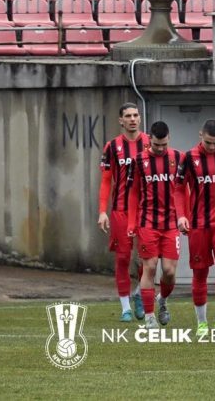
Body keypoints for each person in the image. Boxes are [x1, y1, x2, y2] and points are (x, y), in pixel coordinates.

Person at [173, 120, 215, 335]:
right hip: (198, 225)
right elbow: (178, 189)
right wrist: (181, 216)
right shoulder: (189, 157)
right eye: (208, 142)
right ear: (200, 135)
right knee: (200, 272)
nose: (212, 147)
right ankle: (202, 323)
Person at [126, 121, 182, 329]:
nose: (160, 149)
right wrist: (131, 223)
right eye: (156, 145)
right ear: (150, 140)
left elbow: (184, 190)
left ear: (169, 139)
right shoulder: (139, 161)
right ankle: (150, 317)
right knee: (149, 268)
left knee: (169, 272)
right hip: (147, 222)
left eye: (164, 145)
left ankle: (163, 300)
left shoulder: (179, 158)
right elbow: (133, 193)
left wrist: (185, 216)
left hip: (171, 224)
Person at [97, 102, 150, 321]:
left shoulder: (150, 143)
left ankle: (139, 294)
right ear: (121, 120)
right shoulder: (112, 146)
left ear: (140, 118)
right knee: (122, 258)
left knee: (147, 260)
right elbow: (106, 180)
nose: (132, 119)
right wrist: (102, 211)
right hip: (121, 210)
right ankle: (125, 308)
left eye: (135, 115)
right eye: (128, 116)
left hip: (146, 210)